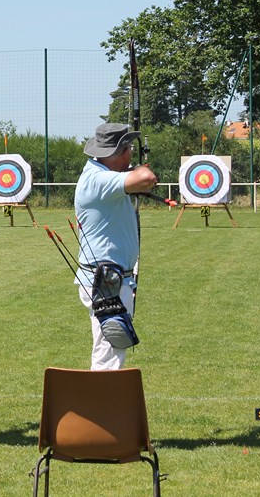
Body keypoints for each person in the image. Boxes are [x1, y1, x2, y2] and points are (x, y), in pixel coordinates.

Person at [73, 122, 159, 370]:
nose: (131, 153)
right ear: (121, 151)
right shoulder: (99, 181)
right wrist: (139, 171)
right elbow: (147, 177)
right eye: (129, 148)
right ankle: (100, 407)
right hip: (106, 281)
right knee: (109, 354)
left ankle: (101, 405)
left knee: (109, 349)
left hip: (110, 279)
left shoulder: (101, 176)